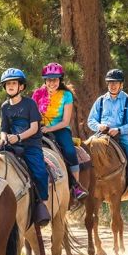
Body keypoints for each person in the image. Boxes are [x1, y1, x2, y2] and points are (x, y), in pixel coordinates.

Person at [0, 68, 51, 227]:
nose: (11, 86)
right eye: (8, 84)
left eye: (14, 83)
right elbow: (3, 128)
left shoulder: (30, 104)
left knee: (40, 172)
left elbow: (34, 128)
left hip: (30, 145)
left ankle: (42, 204)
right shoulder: (4, 107)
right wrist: (4, 139)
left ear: (21, 87)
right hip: (12, 144)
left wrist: (19, 137)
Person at [32, 62, 88, 203]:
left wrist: (49, 129)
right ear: (45, 80)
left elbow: (65, 121)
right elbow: (31, 114)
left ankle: (76, 186)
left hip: (60, 128)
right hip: (38, 129)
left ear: (60, 80)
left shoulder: (66, 95)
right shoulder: (37, 94)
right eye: (49, 79)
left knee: (69, 151)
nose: (52, 83)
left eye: (55, 79)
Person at [87, 68, 128, 193]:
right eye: (110, 82)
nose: (112, 85)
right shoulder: (100, 100)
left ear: (121, 85)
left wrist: (119, 129)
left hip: (122, 135)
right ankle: (83, 180)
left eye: (115, 83)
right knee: (85, 147)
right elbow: (91, 120)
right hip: (101, 134)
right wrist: (99, 126)